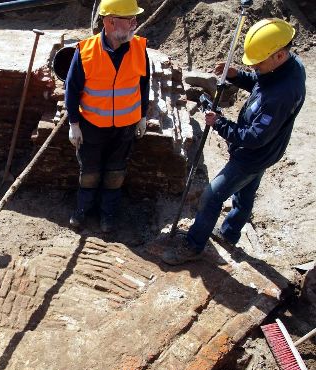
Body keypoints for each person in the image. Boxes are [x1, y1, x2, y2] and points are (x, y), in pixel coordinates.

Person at [162, 18, 306, 265]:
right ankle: (229, 234)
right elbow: (261, 83)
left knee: (211, 196)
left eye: (258, 63)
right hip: (269, 151)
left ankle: (193, 245)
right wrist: (238, 76)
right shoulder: (286, 67)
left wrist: (218, 122)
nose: (256, 67)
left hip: (253, 155)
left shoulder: (283, 93)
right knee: (245, 193)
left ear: (279, 55)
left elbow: (253, 137)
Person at [65, 0, 150, 233]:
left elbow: (144, 85)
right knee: (90, 172)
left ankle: (108, 216)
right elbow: (72, 90)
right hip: (92, 126)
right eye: (130, 19)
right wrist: (74, 124)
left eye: (135, 18)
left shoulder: (139, 49)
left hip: (125, 128)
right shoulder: (86, 51)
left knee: (115, 173)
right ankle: (82, 211)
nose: (135, 24)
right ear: (111, 21)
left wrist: (142, 115)